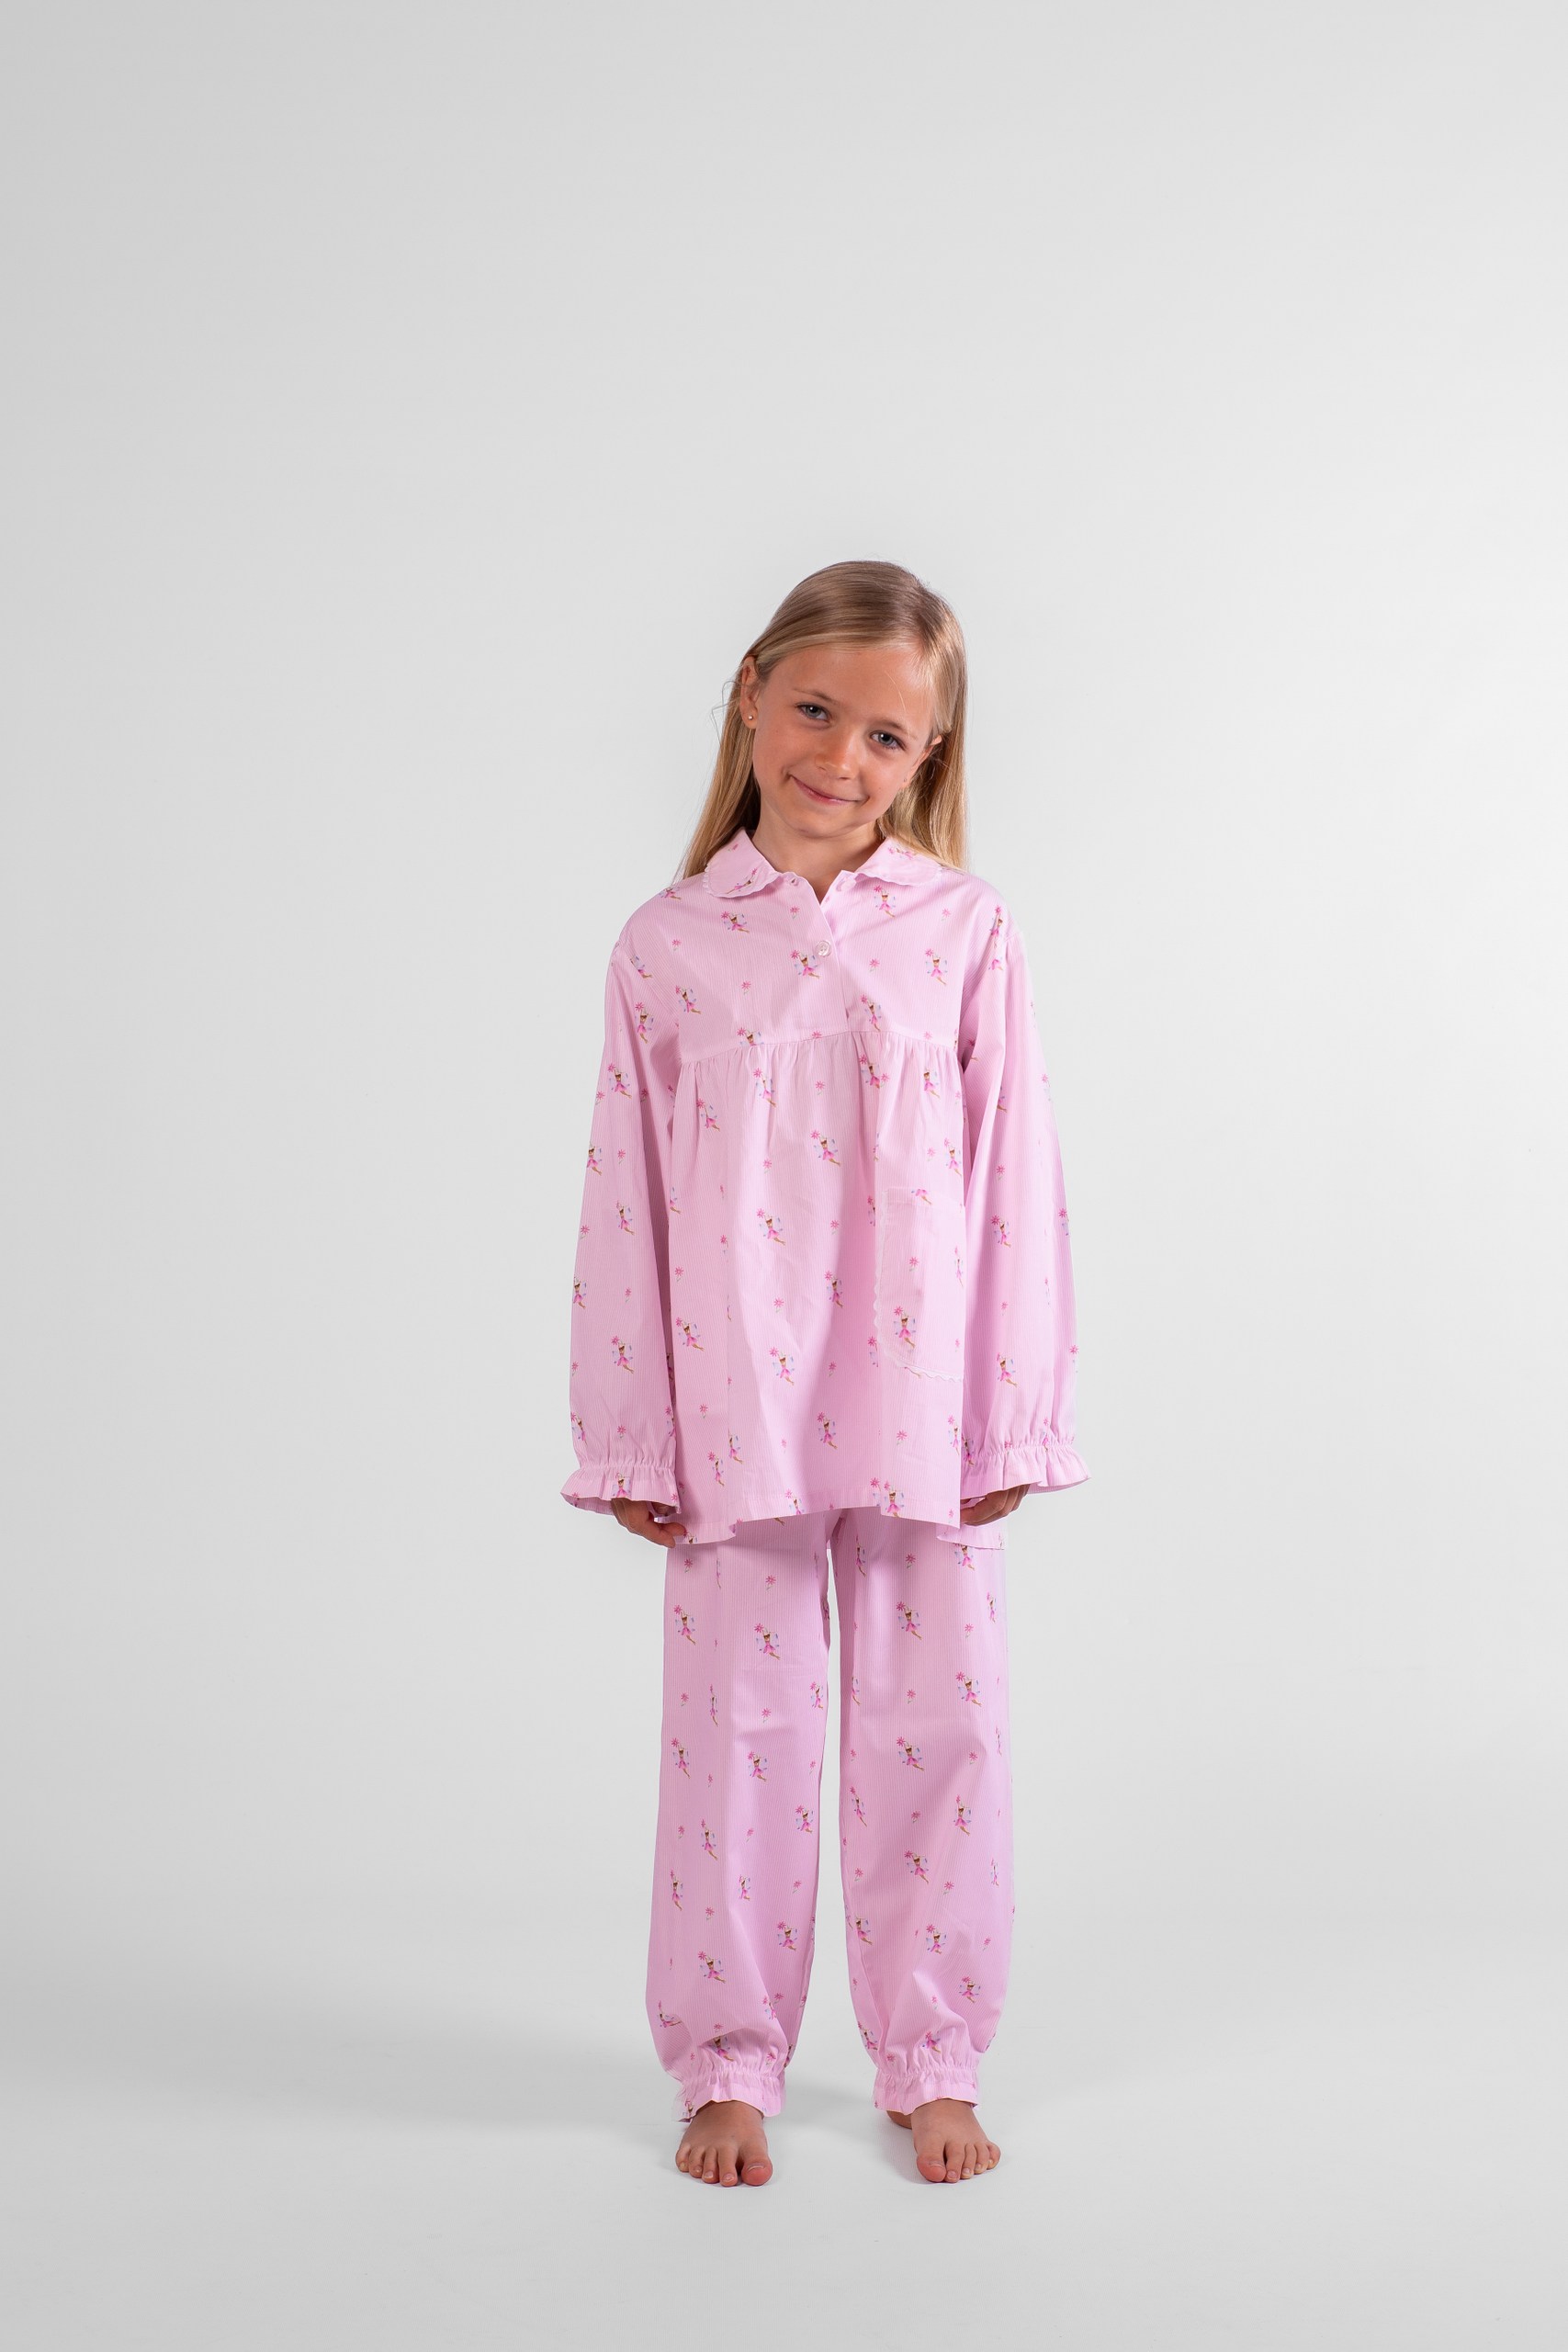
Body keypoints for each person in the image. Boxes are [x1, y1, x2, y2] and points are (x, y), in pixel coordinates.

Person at [561, 559, 1089, 2186]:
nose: (840, 759)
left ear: (928, 756)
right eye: (814, 710)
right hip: (736, 1407)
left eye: (886, 737)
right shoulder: (669, 945)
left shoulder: (964, 932)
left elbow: (1016, 1177)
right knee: (737, 1734)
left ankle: (934, 2052)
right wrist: (632, 1431)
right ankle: (728, 2060)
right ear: (750, 692)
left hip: (924, 1411)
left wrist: (1012, 1412)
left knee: (944, 1729)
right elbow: (625, 1193)